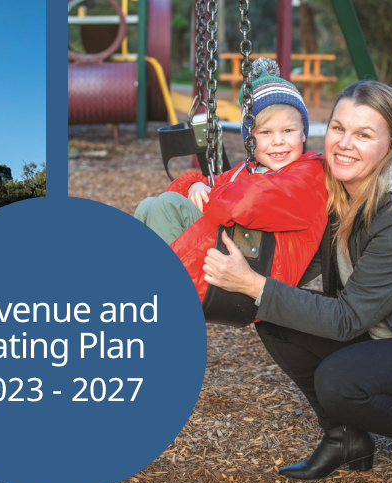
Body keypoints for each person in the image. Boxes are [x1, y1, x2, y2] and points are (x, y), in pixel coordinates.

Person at [204, 80, 392, 483]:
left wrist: (254, 282)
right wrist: (218, 197)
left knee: (340, 379)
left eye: (364, 134)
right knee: (270, 313)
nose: (344, 144)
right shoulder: (340, 190)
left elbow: (348, 319)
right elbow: (292, 269)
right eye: (338, 129)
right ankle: (346, 439)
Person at [134, 58, 328, 303]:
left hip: (257, 272)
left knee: (166, 206)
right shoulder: (247, 170)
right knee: (148, 206)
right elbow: (194, 187)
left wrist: (207, 199)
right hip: (226, 256)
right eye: (265, 132)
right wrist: (196, 186)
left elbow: (252, 201)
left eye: (288, 131)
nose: (278, 141)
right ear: (249, 140)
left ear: (304, 133)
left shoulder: (308, 175)